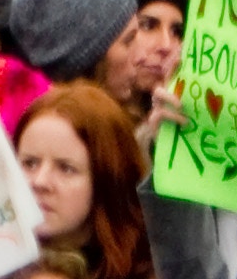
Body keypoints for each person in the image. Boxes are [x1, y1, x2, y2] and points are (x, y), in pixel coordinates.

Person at [17, 80, 160, 279]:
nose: (40, 182)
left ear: (107, 181)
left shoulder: (155, 266)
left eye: (65, 168)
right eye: (29, 163)